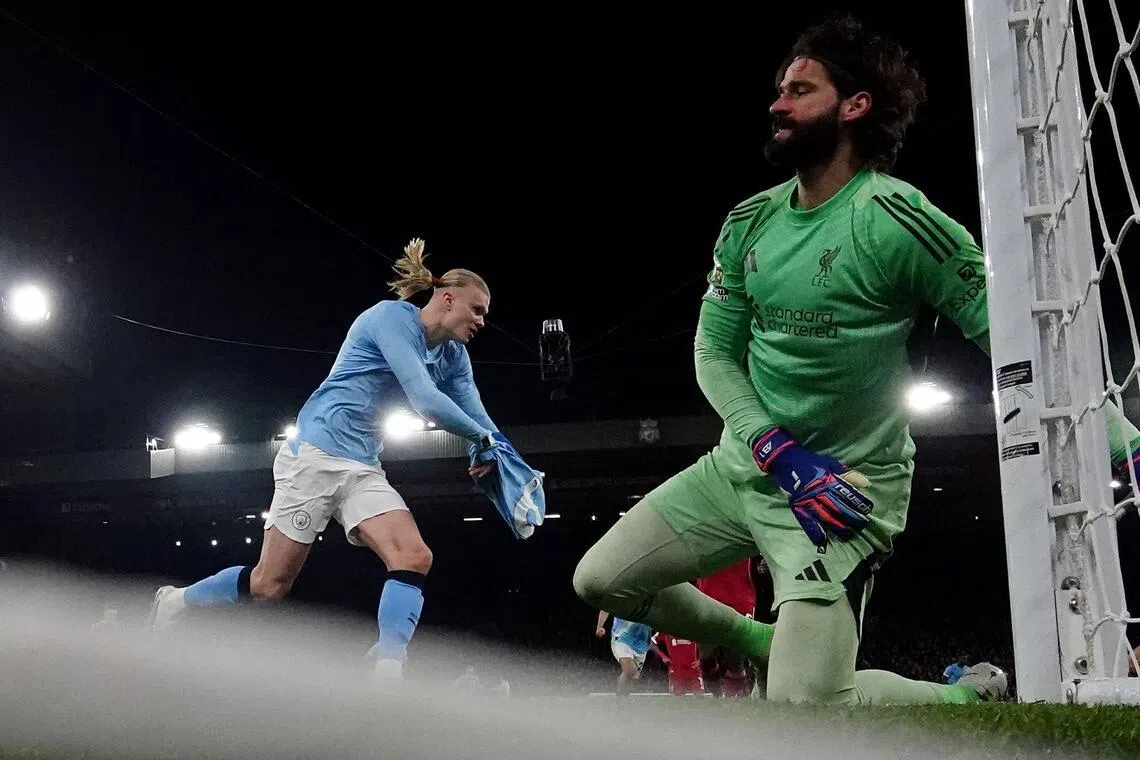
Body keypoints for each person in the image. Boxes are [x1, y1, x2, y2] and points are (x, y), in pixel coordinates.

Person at [573, 13, 1140, 706]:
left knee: (806, 710)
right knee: (600, 580)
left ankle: (966, 698)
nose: (778, 103)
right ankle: (761, 640)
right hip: (748, 467)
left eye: (800, 90)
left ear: (855, 106)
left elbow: (1014, 339)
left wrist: (1121, 442)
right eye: (780, 89)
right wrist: (775, 449)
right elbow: (713, 354)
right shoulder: (748, 221)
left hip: (845, 491)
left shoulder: (900, 222)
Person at [148, 238, 511, 679]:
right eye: (477, 310)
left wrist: (497, 452)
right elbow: (426, 401)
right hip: (314, 457)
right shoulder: (389, 319)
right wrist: (480, 439)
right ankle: (174, 601)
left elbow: (478, 414)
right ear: (447, 298)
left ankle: (388, 673)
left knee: (414, 556)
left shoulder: (454, 357)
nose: (482, 321)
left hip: (363, 467)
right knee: (269, 586)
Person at [696, 559, 755, 697]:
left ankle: (734, 701)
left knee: (735, 661)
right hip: (707, 599)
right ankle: (716, 697)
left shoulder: (753, 537)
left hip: (740, 600)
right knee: (706, 659)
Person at [595, 611, 652, 696]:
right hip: (622, 637)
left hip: (642, 644)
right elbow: (606, 608)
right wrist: (599, 626)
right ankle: (620, 702)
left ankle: (622, 701)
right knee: (630, 670)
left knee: (630, 678)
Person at [652, 630, 703, 696]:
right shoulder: (666, 630)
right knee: (677, 699)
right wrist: (663, 656)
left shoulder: (695, 629)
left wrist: (701, 659)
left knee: (699, 697)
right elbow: (651, 642)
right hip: (676, 672)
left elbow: (709, 644)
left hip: (694, 671)